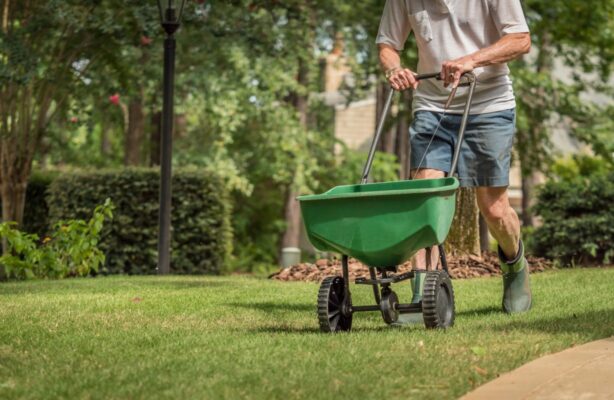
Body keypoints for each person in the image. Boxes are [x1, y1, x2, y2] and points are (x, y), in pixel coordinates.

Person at [376, 0, 532, 313]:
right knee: (426, 203)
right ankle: (423, 296)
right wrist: (394, 68)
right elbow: (387, 44)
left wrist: (472, 60)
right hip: (432, 107)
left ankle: (515, 267)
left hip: (490, 105)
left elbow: (520, 39)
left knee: (494, 209)